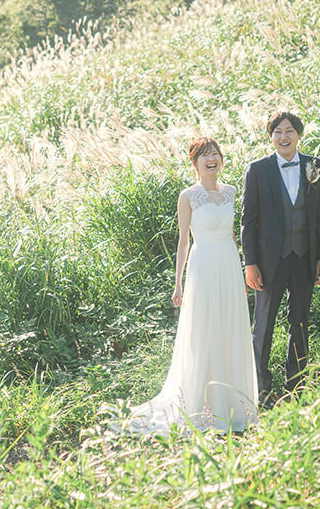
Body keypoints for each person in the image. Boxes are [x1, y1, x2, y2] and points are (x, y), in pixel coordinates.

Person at [122, 137, 258, 434]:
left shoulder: (232, 192)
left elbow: (233, 235)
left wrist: (241, 271)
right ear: (195, 163)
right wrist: (178, 283)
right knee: (204, 331)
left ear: (221, 160)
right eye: (205, 155)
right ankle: (202, 404)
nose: (212, 159)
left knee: (229, 329)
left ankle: (233, 405)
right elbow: (183, 241)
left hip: (227, 263)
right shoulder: (188, 196)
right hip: (203, 265)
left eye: (215, 154)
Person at [240, 109, 320, 405]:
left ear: (298, 135)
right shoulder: (257, 170)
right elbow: (247, 220)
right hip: (268, 261)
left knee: (300, 322)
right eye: (277, 132)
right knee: (263, 324)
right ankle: (260, 387)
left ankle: (297, 385)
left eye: (289, 131)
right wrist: (250, 263)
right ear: (271, 137)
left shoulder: (313, 166)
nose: (283, 137)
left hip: (305, 258)